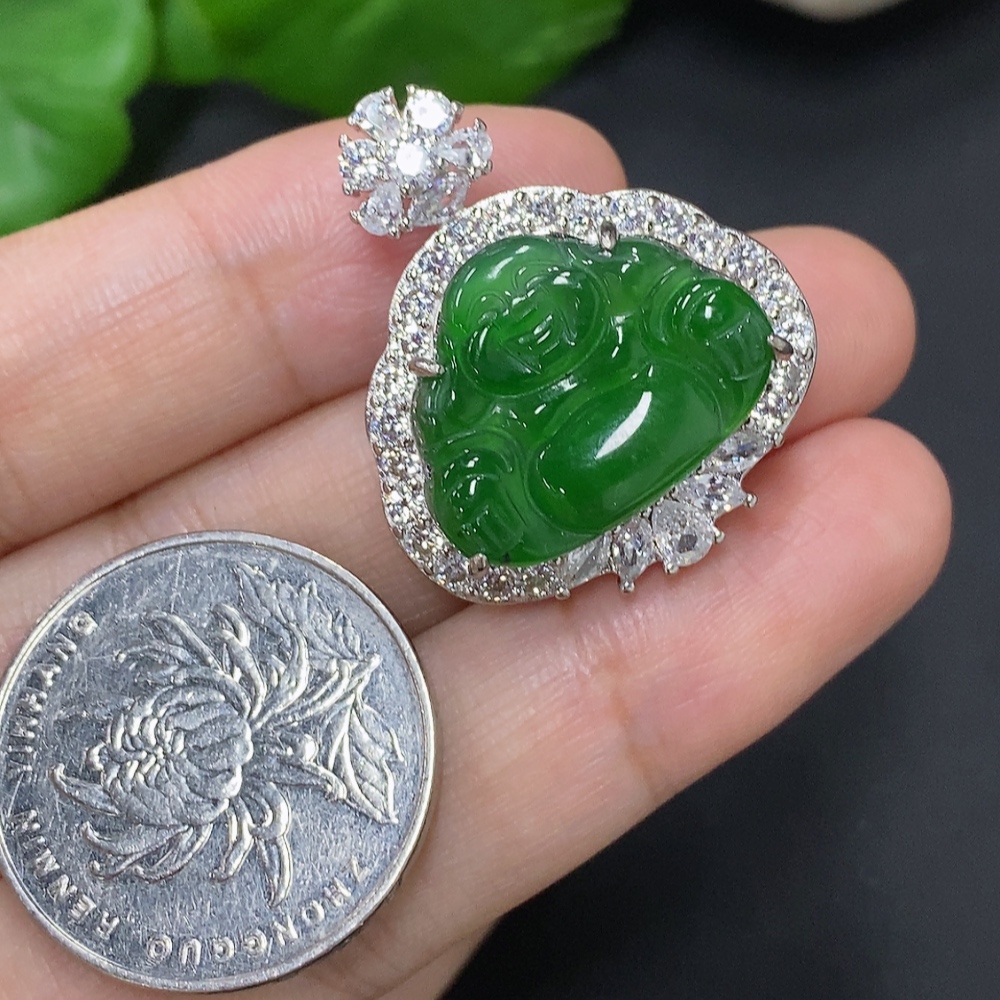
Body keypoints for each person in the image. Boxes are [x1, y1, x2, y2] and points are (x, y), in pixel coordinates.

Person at [0, 106, 950, 998]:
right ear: (462, 351)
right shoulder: (463, 403)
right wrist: (488, 493)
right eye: (507, 334)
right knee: (544, 486)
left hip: (671, 393)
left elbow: (719, 314)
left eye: (556, 303)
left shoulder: (633, 292)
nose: (539, 332)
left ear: (588, 276)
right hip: (566, 477)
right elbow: (467, 483)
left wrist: (702, 325)